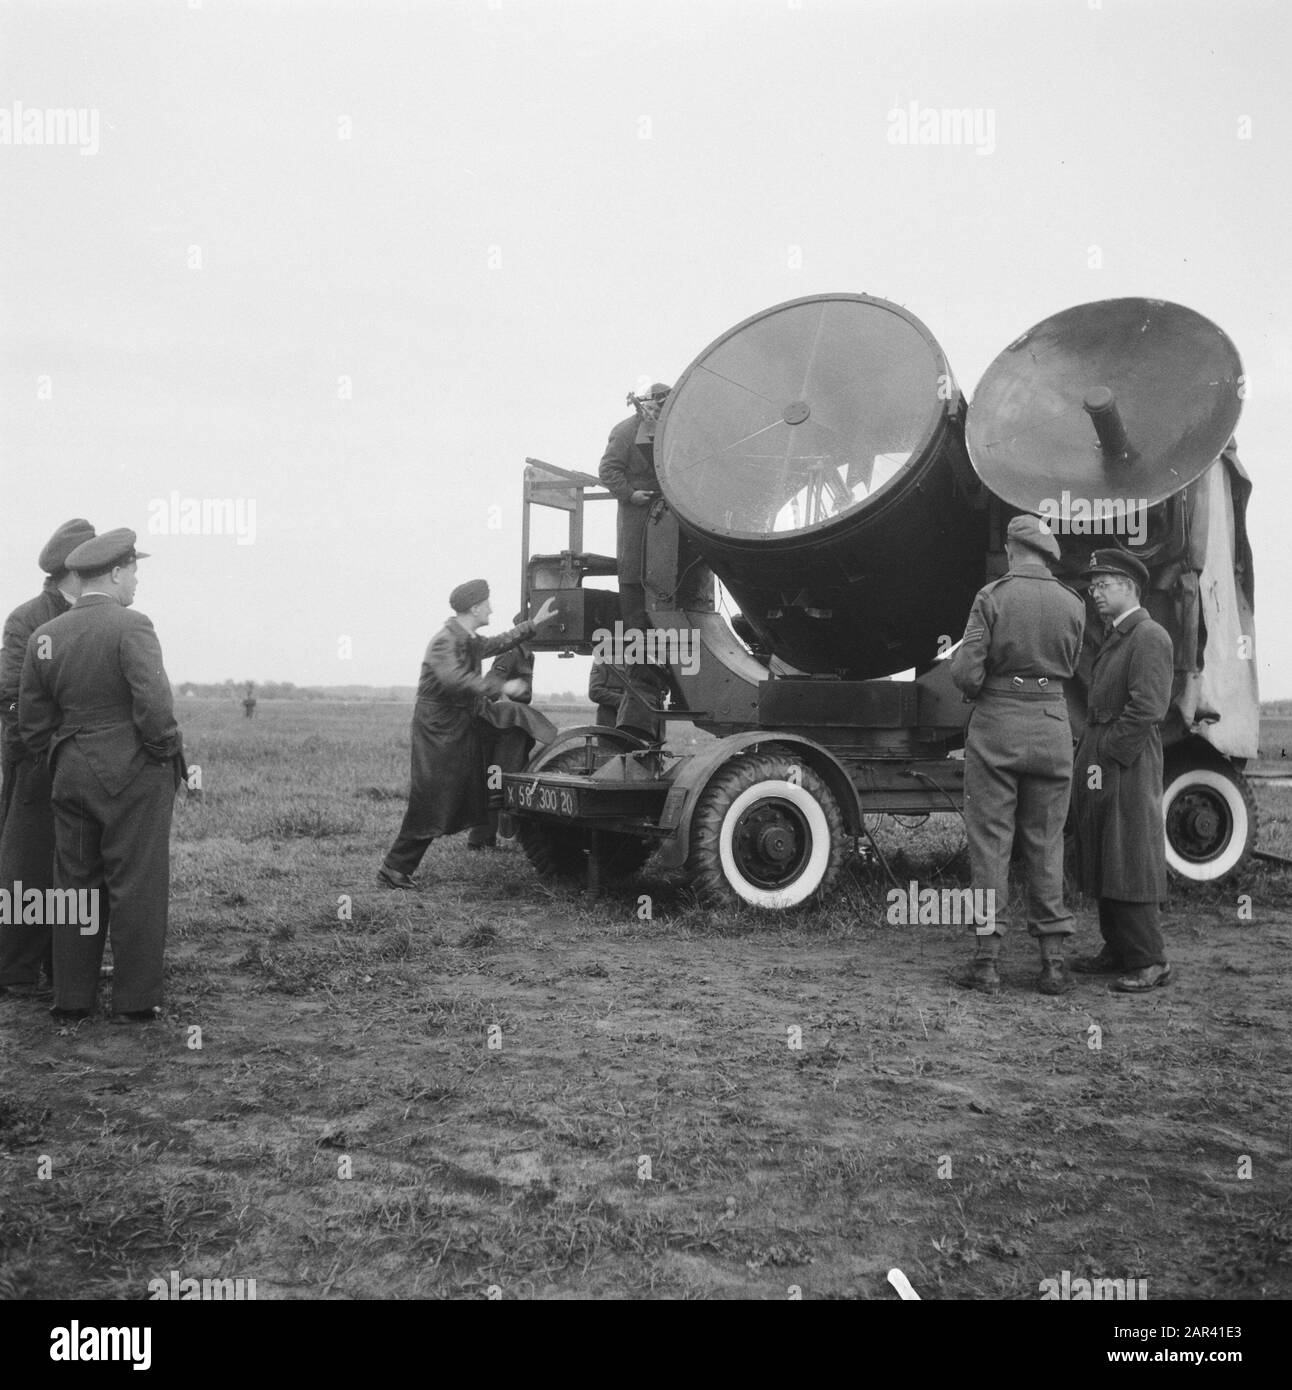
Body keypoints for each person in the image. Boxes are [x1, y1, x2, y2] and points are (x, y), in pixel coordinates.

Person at [19, 529, 184, 1022]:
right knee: (137, 885)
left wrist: (64, 756)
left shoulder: (44, 637)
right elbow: (155, 708)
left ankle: (71, 998)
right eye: (133, 571)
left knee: (73, 887)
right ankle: (135, 1002)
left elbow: (32, 722)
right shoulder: (132, 625)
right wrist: (160, 757)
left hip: (69, 775)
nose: (135, 581)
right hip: (132, 775)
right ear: (115, 572)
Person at [949, 514, 1086, 995]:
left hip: (998, 725)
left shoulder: (992, 597)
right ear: (1047, 554)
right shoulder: (1073, 602)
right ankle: (1052, 962)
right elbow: (1072, 664)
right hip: (1052, 725)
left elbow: (967, 674)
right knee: (1047, 842)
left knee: (991, 843)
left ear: (1011, 550)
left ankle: (987, 962)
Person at [378, 581, 560, 888]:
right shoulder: (445, 642)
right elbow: (455, 680)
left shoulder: (465, 638)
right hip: (438, 730)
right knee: (432, 797)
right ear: (475, 608)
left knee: (452, 794)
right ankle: (394, 868)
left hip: (454, 726)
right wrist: (502, 687)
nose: (491, 608)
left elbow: (500, 642)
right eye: (487, 604)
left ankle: (403, 865)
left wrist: (535, 624)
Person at [1070, 550, 1174, 993]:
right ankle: (1117, 949)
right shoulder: (1117, 634)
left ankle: (1151, 959)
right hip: (1105, 751)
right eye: (1093, 586)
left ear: (1130, 586)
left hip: (1126, 757)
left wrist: (1110, 752)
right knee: (1104, 850)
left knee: (1130, 852)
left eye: (1103, 584)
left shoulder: (1149, 635)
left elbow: (1148, 707)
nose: (1094, 592)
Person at [0, 519, 95, 995]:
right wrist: (47, 749)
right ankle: (16, 972)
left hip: (82, 766)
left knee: (76, 863)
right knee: (26, 864)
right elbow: (11, 695)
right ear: (74, 569)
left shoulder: (99, 613)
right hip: (34, 762)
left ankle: (64, 969)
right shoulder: (27, 619)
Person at [598, 382, 671, 639]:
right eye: (657, 408)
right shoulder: (625, 431)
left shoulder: (669, 429)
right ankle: (637, 650)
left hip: (667, 514)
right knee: (634, 576)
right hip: (636, 515)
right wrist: (630, 495)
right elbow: (608, 470)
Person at [468, 613, 537, 849]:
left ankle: (489, 837)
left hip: (515, 728)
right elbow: (490, 686)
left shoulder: (528, 654)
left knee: (504, 780)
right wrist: (505, 702)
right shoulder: (511, 652)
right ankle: (480, 840)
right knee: (496, 780)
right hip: (503, 728)